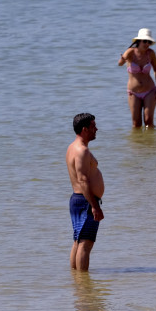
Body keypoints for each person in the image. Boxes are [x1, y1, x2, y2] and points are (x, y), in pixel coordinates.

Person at [66, 113, 105, 271]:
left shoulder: (72, 147)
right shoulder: (81, 151)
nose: (96, 129)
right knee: (85, 244)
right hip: (85, 201)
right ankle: (83, 288)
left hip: (79, 200)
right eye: (93, 126)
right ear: (84, 129)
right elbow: (82, 180)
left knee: (78, 241)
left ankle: (78, 281)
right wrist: (94, 206)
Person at [118, 29, 156, 127]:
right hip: (134, 93)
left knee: (148, 122)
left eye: (149, 42)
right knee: (136, 123)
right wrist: (122, 59)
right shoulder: (130, 52)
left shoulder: (151, 53)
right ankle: (137, 142)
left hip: (149, 90)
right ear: (139, 41)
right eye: (144, 41)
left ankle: (150, 142)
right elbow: (120, 64)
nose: (147, 44)